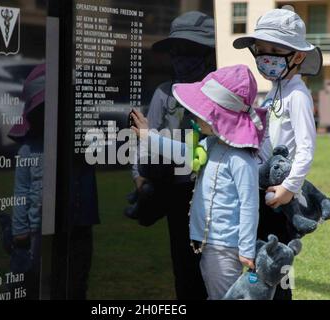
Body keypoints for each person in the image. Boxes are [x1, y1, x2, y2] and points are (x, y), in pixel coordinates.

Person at [131, 64, 268, 300]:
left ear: (221, 119)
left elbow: (249, 204)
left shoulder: (241, 159)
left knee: (224, 295)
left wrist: (246, 248)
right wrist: (148, 136)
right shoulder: (211, 145)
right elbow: (183, 152)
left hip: (226, 248)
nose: (195, 116)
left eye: (203, 112)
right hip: (209, 244)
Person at [233, 7, 322, 300]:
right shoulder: (273, 92)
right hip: (263, 192)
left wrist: (289, 187)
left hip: (280, 199)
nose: (265, 56)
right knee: (260, 265)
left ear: (297, 56)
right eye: (261, 49)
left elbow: (307, 147)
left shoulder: (297, 95)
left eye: (275, 49)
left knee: (278, 268)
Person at [131, 11, 216, 300]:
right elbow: (144, 140)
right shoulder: (164, 94)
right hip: (177, 195)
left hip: (213, 196)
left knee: (214, 273)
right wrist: (140, 180)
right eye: (176, 51)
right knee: (184, 271)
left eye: (190, 51)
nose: (182, 59)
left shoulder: (220, 94)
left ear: (207, 54)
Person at [7, 64, 46, 300]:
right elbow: (21, 190)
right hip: (31, 234)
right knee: (28, 285)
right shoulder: (27, 151)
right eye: (40, 111)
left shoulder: (67, 149)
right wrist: (19, 230)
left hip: (58, 233)